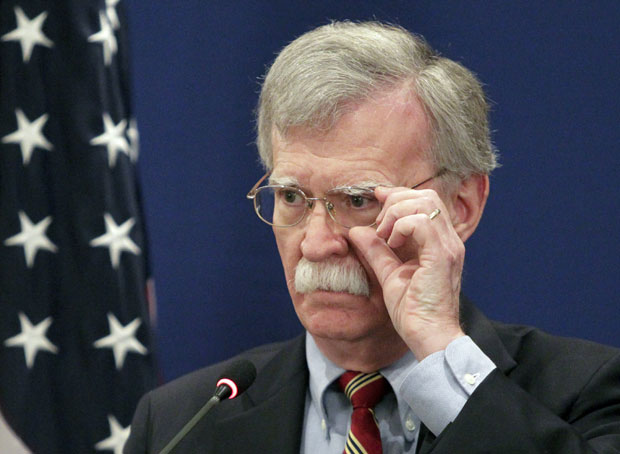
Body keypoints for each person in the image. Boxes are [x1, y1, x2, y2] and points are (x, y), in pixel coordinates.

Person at [124, 21, 620, 453]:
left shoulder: (587, 393)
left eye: (358, 201)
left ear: (461, 205)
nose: (316, 244)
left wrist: (443, 355)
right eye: (292, 196)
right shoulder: (178, 423)